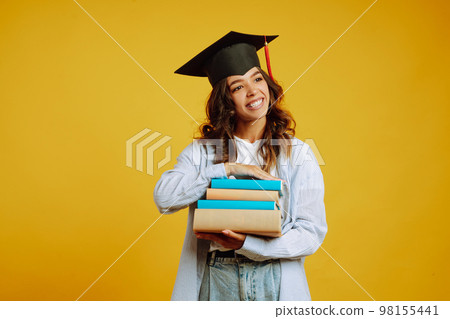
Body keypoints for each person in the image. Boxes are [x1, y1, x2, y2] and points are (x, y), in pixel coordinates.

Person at [153, 31, 327, 301]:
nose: (253, 91)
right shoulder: (201, 153)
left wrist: (248, 244)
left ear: (268, 85)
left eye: (257, 79)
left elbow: (310, 234)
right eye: (238, 86)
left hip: (274, 277)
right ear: (226, 100)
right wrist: (226, 170)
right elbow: (164, 199)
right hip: (217, 277)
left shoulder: (298, 154)